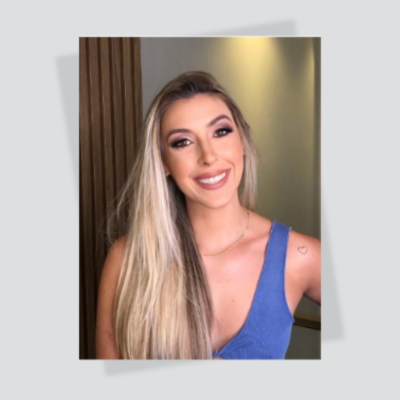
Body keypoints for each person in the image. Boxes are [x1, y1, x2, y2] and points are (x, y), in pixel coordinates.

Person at [95, 71, 321, 360]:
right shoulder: (127, 260)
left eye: (221, 132)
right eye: (182, 142)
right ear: (163, 162)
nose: (208, 156)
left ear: (243, 140)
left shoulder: (300, 256)